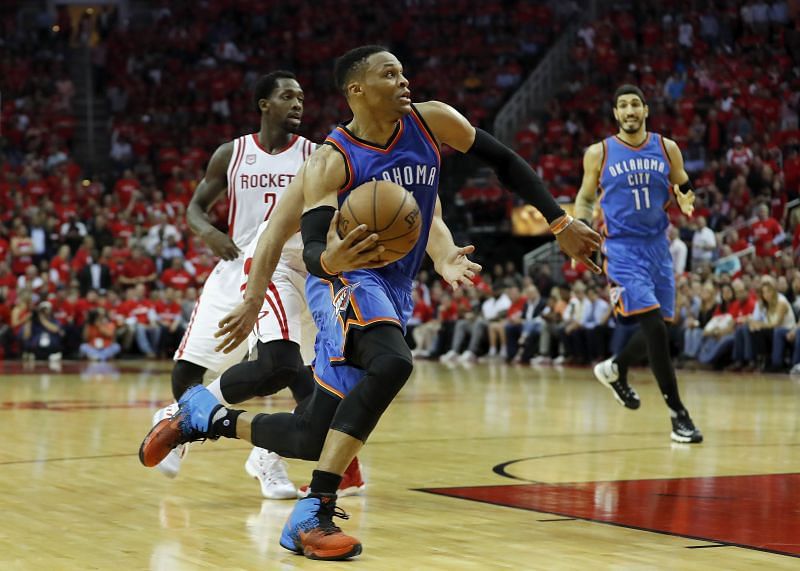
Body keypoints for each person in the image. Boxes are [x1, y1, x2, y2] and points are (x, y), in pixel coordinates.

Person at [140, 45, 601, 560]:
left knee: (312, 435)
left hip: (394, 287)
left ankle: (206, 417)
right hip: (342, 278)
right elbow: (310, 249)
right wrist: (315, 266)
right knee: (393, 361)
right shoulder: (331, 160)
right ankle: (313, 511)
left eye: (404, 71)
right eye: (390, 74)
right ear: (357, 90)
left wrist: (555, 223)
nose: (405, 81)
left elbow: (502, 162)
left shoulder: (432, 121)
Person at [149, 71, 331, 498]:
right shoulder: (232, 154)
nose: (298, 104)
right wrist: (209, 232)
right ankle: (184, 420)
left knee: (299, 376)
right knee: (191, 366)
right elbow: (195, 207)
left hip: (288, 269)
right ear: (264, 104)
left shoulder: (315, 155)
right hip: (236, 265)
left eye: (302, 96)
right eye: (287, 96)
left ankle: (264, 456)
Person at [575, 84, 703, 444]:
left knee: (661, 330)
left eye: (635, 104)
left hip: (659, 248)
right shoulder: (598, 153)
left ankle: (615, 368)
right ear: (616, 114)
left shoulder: (667, 148)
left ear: (645, 110)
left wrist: (687, 199)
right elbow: (585, 198)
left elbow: (683, 184)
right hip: (621, 249)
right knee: (655, 329)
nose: (629, 111)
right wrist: (579, 231)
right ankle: (679, 414)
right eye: (622, 106)